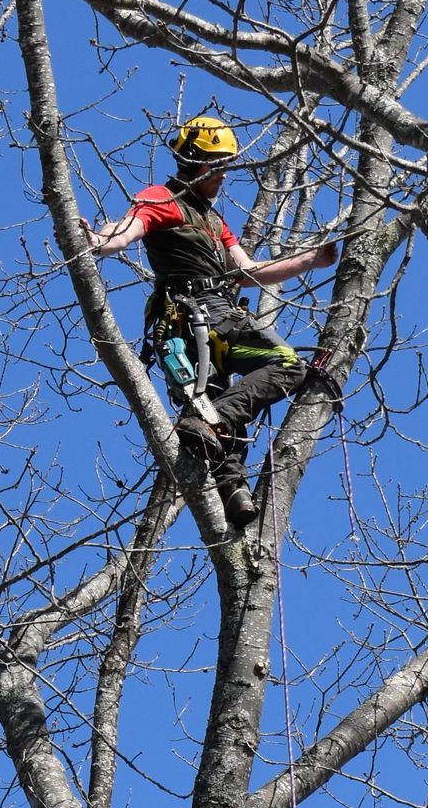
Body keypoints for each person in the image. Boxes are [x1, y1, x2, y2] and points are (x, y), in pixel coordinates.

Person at [82, 116, 338, 525]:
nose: (225, 176)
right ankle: (208, 425)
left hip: (206, 324)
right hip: (197, 317)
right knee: (287, 365)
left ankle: (233, 493)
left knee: (219, 420)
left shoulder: (215, 222)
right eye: (219, 167)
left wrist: (311, 260)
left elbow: (250, 272)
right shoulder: (163, 199)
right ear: (198, 164)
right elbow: (128, 228)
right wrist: (98, 241)